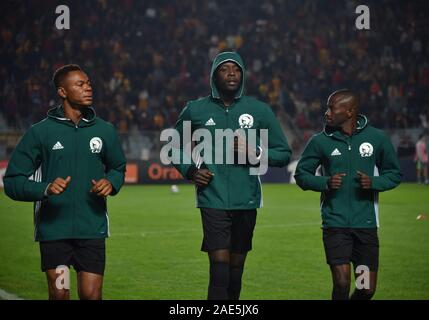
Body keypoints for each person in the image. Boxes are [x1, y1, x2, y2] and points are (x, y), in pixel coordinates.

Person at [173, 51, 291, 300]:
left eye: (236, 69)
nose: (231, 73)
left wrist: (256, 151)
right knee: (219, 269)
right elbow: (173, 146)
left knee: (236, 270)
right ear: (214, 75)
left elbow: (283, 154)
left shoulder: (259, 110)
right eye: (224, 69)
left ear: (243, 75)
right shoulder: (195, 110)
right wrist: (191, 171)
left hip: (246, 198)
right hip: (212, 199)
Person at [4, 64, 126, 300]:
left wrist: (111, 183)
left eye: (88, 83)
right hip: (54, 231)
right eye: (80, 84)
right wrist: (45, 188)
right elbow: (12, 181)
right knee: (60, 293)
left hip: (92, 228)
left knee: (92, 295)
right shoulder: (40, 132)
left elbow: (118, 168)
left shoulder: (105, 130)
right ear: (62, 92)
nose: (88, 88)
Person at [294, 89, 401, 300]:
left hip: (366, 226)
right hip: (335, 225)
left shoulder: (377, 138)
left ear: (350, 111)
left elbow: (394, 173)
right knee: (342, 283)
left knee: (365, 288)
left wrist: (374, 182)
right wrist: (324, 182)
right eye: (327, 107)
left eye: (332, 108)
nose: (327, 113)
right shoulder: (320, 141)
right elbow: (301, 174)